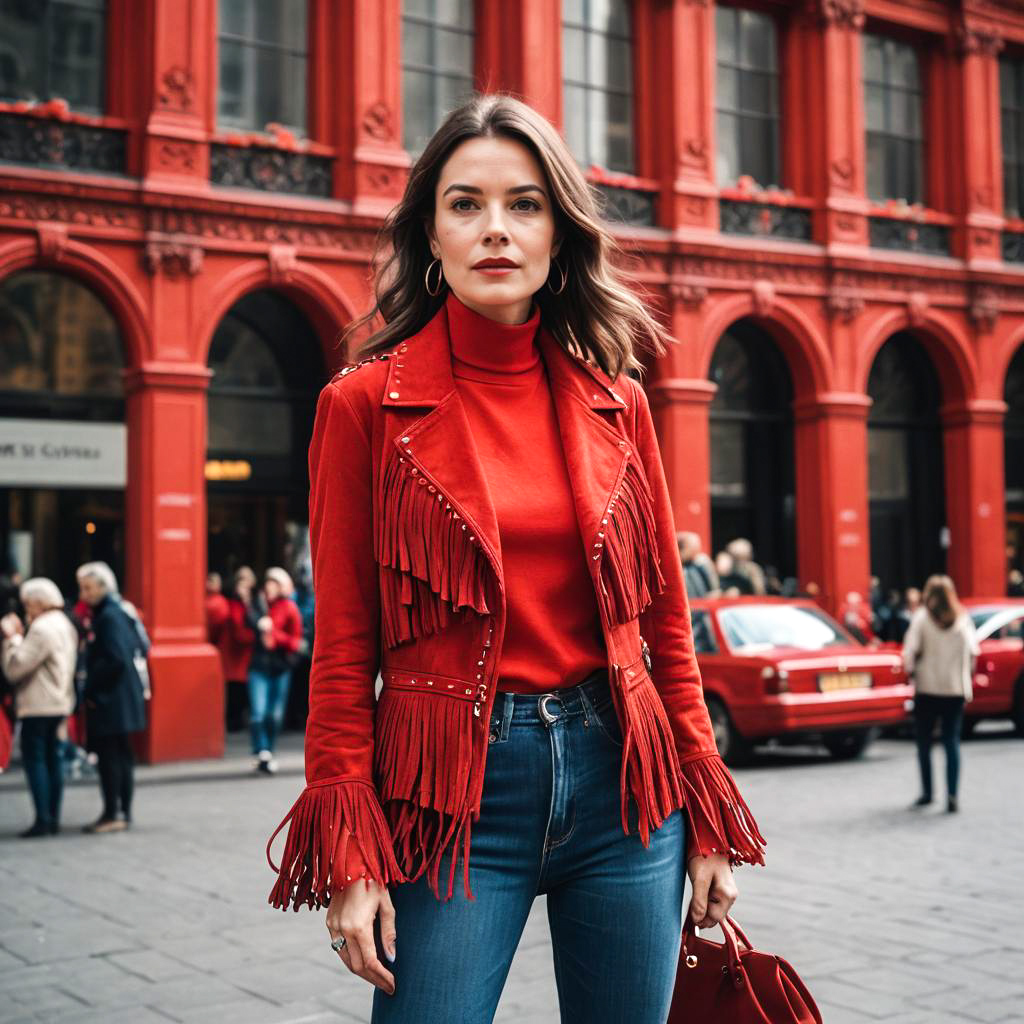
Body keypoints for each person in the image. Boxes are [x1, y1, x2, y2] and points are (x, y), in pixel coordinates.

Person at [263, 94, 766, 1022]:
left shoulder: (619, 403)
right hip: (453, 793)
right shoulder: (362, 407)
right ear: (430, 235)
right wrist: (350, 851)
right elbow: (341, 649)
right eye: (465, 204)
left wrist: (705, 812)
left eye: (525, 204)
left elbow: (665, 629)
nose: (495, 229)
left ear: (559, 234)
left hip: (625, 782)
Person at [0, 578, 77, 837]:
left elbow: (16, 667)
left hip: (38, 705)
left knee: (37, 761)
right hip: (59, 701)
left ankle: (43, 818)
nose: (25, 609)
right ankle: (52, 816)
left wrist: (12, 639)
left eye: (26, 604)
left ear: (37, 602)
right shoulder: (65, 623)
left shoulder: (43, 628)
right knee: (53, 759)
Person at [76, 562, 148, 833]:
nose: (83, 593)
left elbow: (116, 659)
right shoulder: (115, 612)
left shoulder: (109, 615)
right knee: (120, 755)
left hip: (112, 700)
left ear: (103, 587)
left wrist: (92, 688)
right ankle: (120, 812)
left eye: (88, 587)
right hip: (121, 698)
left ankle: (115, 812)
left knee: (112, 757)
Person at [902, 574, 978, 814]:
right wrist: (965, 676)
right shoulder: (963, 618)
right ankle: (952, 794)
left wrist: (912, 673)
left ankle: (927, 792)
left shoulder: (922, 618)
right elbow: (974, 653)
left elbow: (909, 654)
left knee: (924, 743)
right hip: (954, 689)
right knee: (951, 742)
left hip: (927, 688)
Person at [246, 567, 302, 774]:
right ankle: (261, 751)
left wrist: (274, 634)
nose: (269, 587)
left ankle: (268, 749)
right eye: (267, 583)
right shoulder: (258, 605)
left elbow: (295, 641)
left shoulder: (289, 608)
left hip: (280, 666)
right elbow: (247, 620)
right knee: (257, 713)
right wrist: (260, 622)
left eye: (273, 583)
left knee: (274, 715)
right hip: (259, 665)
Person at [677, 531, 718, 599]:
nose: (696, 550)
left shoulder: (701, 562)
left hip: (702, 602)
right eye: (693, 547)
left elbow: (713, 586)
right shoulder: (679, 564)